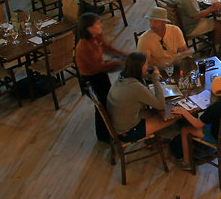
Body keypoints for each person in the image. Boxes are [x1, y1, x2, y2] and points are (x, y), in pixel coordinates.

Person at [107, 52, 202, 163]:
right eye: (146, 65)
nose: (148, 66)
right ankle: (185, 141)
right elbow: (160, 105)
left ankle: (164, 137)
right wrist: (155, 79)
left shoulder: (122, 78)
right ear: (139, 68)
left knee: (162, 112)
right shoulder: (135, 87)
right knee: (175, 115)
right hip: (128, 131)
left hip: (120, 122)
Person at [75, 13, 128, 142]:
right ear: (89, 28)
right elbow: (98, 67)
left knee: (108, 101)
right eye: (97, 24)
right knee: (101, 106)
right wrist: (121, 63)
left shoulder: (97, 36)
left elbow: (108, 48)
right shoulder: (83, 47)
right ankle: (103, 136)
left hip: (100, 75)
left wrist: (125, 55)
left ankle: (111, 128)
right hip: (91, 80)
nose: (101, 25)